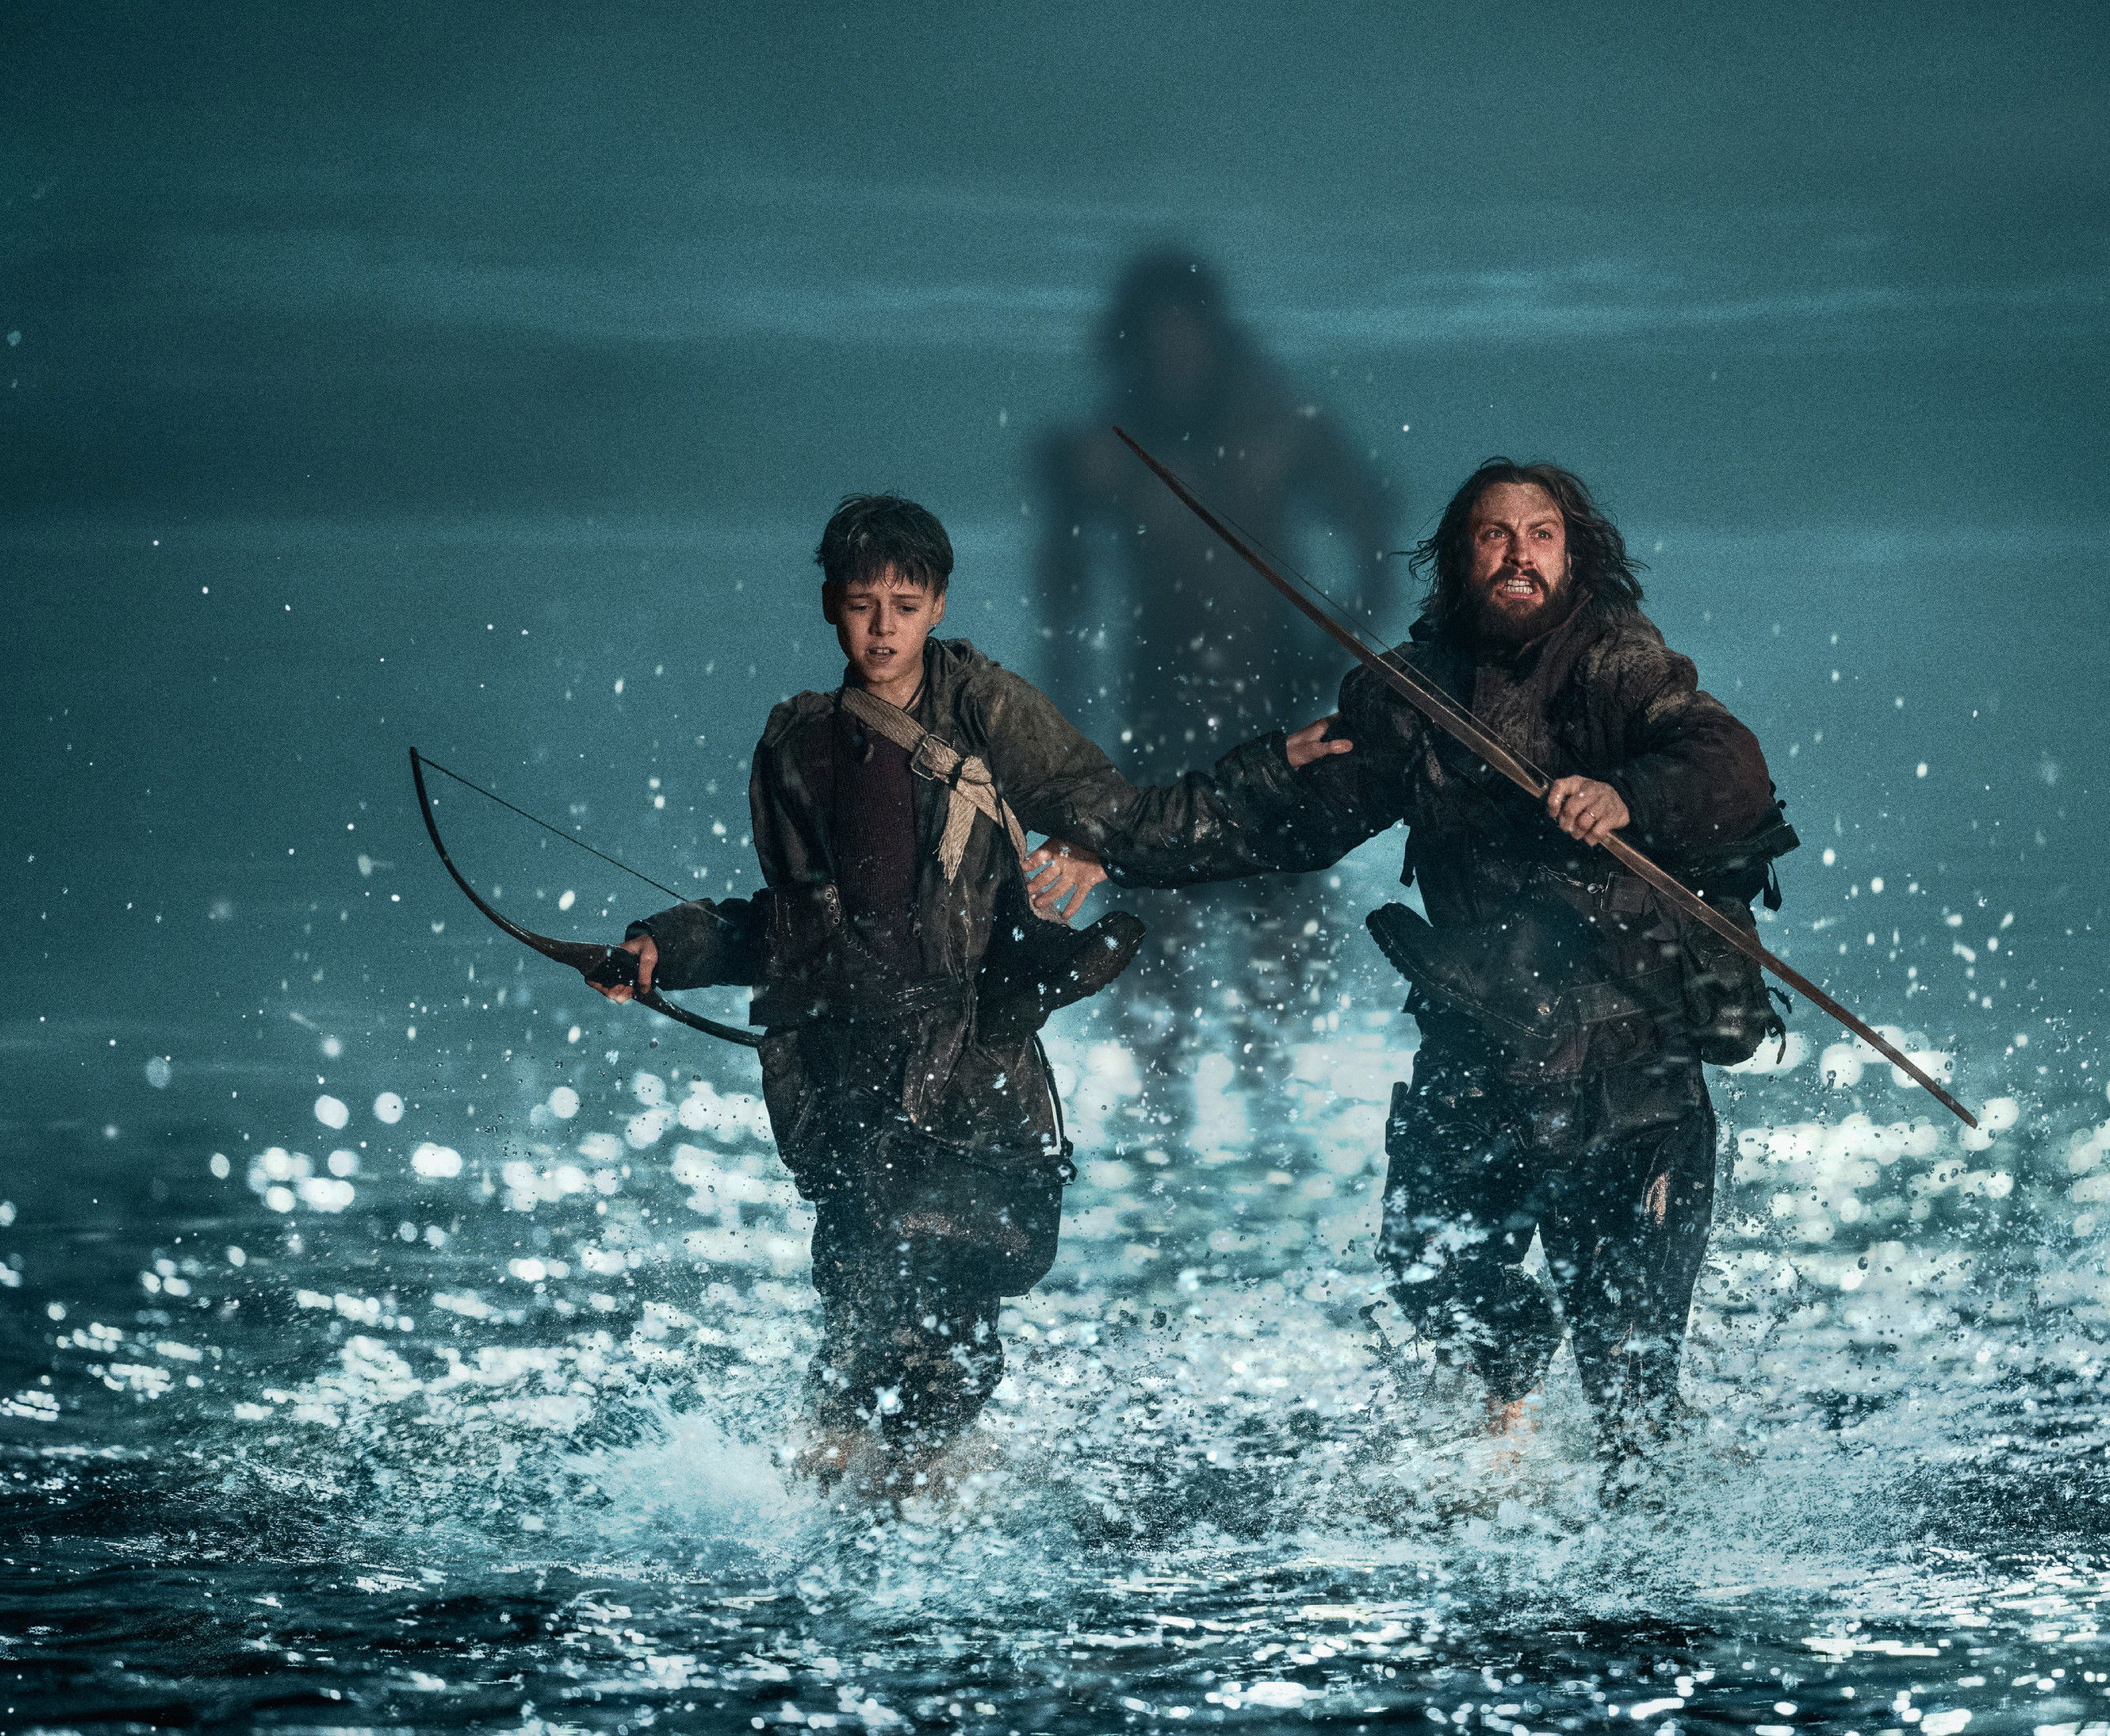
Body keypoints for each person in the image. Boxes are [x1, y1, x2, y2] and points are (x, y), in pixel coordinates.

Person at [1096, 460, 1796, 1488]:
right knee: (1436, 1278)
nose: (1519, 555)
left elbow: (1728, 762)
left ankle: (1665, 1552)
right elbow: (1289, 823)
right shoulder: (1408, 697)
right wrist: (1112, 846)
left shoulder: (1619, 665)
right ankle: (1506, 1424)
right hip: (1478, 1059)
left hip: (1631, 1074)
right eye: (1494, 535)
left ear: (1575, 555)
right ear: (1459, 558)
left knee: (1633, 1396)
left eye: (1541, 535)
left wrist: (1627, 794)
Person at [585, 493, 1173, 1501]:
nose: (884, 628)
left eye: (905, 604)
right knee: (857, 1307)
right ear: (830, 606)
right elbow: (787, 924)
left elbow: (1110, 805)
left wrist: (1087, 846)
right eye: (862, 605)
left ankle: (927, 1502)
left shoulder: (983, 706)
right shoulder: (798, 746)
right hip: (848, 1068)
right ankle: (846, 1509)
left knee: (956, 1300)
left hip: (973, 1060)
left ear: (939, 605)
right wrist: (660, 949)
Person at [1035, 250, 1395, 1146]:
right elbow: (1063, 598)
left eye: (1185, 339)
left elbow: (1373, 528)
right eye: (1157, 342)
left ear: (1213, 338)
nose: (1174, 359)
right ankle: (1161, 1127)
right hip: (1159, 706)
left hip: (1271, 694)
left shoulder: (1278, 432)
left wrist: (1333, 657)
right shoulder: (1107, 450)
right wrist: (1059, 731)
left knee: (1281, 913)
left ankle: (1274, 1116)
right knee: (1157, 912)